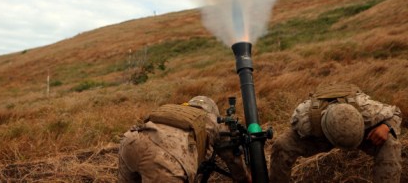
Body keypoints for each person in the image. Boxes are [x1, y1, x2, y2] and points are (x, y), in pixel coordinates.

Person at [270, 82, 402, 183]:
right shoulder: (305, 121)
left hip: (362, 133)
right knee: (282, 145)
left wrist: (386, 126)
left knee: (389, 144)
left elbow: (396, 112)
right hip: (319, 135)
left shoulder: (368, 111)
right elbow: (286, 141)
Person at [118, 95, 250, 182]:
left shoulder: (174, 110)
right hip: (166, 155)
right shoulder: (214, 121)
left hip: (130, 141)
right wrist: (244, 179)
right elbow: (232, 159)